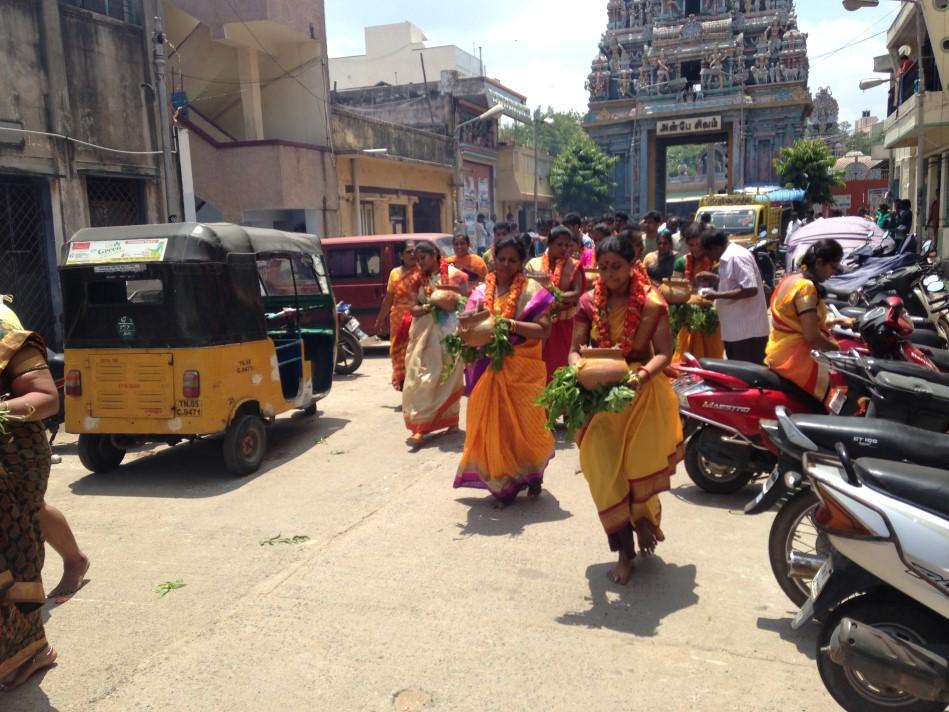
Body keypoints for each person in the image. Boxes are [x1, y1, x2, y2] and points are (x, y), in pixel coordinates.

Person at [570, 236, 683, 585]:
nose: (608, 274)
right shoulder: (589, 302)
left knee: (636, 470)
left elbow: (664, 351)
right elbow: (574, 349)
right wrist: (578, 370)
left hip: (641, 394)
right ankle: (625, 551)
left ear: (633, 263)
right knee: (603, 471)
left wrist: (642, 375)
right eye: (602, 268)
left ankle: (642, 522)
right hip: (600, 397)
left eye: (616, 267)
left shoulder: (651, 302)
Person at [454, 236, 555, 504]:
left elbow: (544, 329)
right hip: (487, 366)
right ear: (493, 259)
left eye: (513, 260)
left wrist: (509, 324)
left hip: (523, 368)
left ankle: (532, 473)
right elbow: (467, 325)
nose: (506, 265)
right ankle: (502, 481)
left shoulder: (531, 289)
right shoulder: (480, 291)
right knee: (493, 426)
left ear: (521, 262)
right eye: (501, 259)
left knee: (526, 428)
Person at [1, 302, 90, 599]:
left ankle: (25, 612)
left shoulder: (9, 338)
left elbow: (47, 399)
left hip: (16, 450)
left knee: (26, 513)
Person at [0, 316, 61, 690]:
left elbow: (46, 398)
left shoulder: (8, 339)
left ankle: (30, 651)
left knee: (13, 559)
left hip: (12, 458)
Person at [401, 242, 468, 448]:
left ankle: (451, 421)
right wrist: (426, 307)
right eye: (417, 259)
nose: (419, 262)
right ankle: (420, 428)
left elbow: (465, 303)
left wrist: (449, 302)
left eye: (423, 258)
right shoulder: (415, 279)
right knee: (422, 377)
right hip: (423, 333)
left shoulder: (457, 275)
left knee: (450, 374)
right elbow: (412, 307)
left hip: (450, 331)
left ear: (435, 255)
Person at [766, 239, 846, 399]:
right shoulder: (805, 288)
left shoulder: (788, 279)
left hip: (780, 351)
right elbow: (812, 337)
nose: (832, 274)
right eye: (832, 267)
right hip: (798, 360)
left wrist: (834, 322)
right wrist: (840, 353)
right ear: (819, 262)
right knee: (838, 393)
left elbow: (794, 322)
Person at [700, 229, 770, 364]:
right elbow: (733, 282)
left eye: (708, 253)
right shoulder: (727, 258)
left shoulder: (737, 257)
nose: (708, 257)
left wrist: (717, 295)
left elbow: (750, 289)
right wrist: (716, 279)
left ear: (715, 247)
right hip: (735, 331)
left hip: (748, 333)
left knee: (749, 378)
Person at [527, 226, 584, 381]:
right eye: (560, 244)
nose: (564, 248)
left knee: (562, 366)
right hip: (540, 323)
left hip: (565, 325)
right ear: (549, 244)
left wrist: (555, 297)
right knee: (540, 364)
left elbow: (576, 293)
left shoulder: (574, 265)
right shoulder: (534, 264)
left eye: (567, 244)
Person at [671, 224, 724, 361]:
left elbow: (722, 286)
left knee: (713, 355)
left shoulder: (715, 261)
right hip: (688, 315)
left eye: (698, 244)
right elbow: (676, 287)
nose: (694, 248)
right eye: (691, 245)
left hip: (712, 315)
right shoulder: (681, 263)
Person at [373, 241, 419, 391]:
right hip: (398, 320)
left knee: (415, 352)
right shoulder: (395, 273)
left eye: (414, 251)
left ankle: (417, 387)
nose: (412, 254)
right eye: (408, 252)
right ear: (401, 255)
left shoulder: (422, 271)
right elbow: (388, 299)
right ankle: (403, 384)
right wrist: (380, 320)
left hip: (417, 318)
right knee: (398, 352)